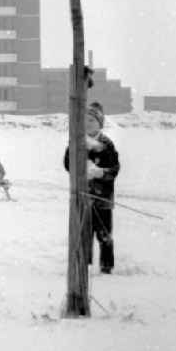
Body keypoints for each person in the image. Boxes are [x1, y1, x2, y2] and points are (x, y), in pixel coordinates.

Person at [63, 101, 121, 274]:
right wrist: (79, 168)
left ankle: (106, 266)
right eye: (84, 121)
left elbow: (114, 169)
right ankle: (83, 265)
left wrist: (100, 173)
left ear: (99, 124)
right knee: (83, 233)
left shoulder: (107, 144)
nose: (87, 124)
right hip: (82, 196)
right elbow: (67, 163)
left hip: (103, 198)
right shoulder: (77, 142)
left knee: (104, 234)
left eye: (92, 121)